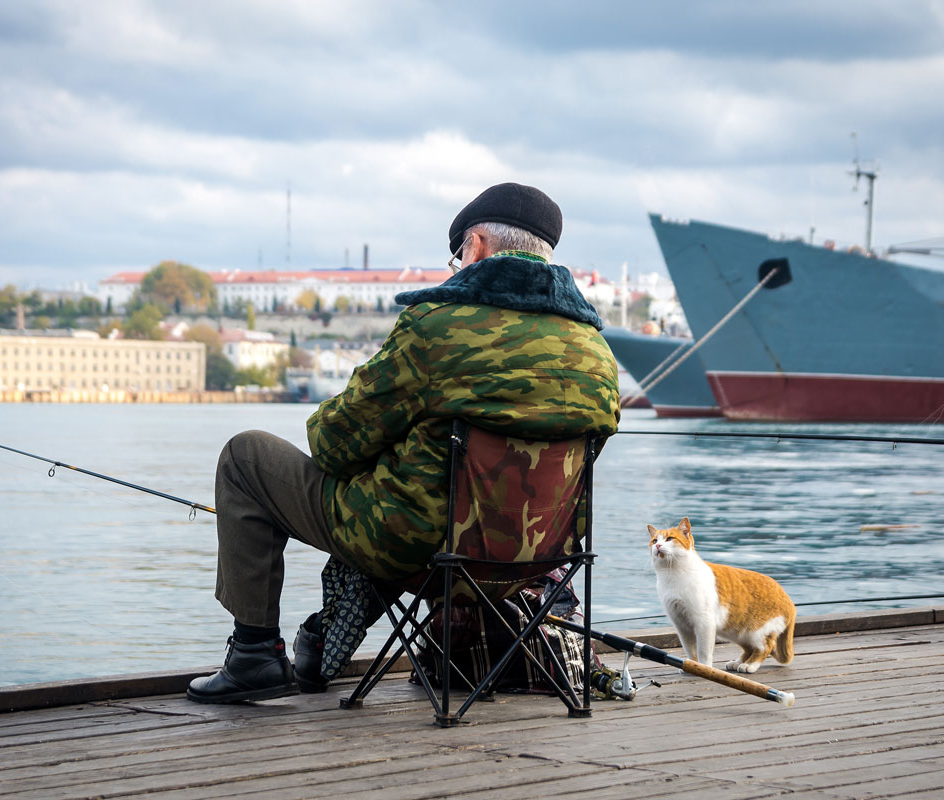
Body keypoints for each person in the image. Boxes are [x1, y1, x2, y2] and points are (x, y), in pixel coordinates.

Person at [187, 182, 620, 704]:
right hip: (535, 564)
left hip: (420, 551)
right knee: (424, 486)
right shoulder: (595, 351)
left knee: (245, 456)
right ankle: (319, 635)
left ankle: (255, 654)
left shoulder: (435, 327)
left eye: (458, 254)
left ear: (476, 246)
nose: (457, 265)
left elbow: (333, 442)